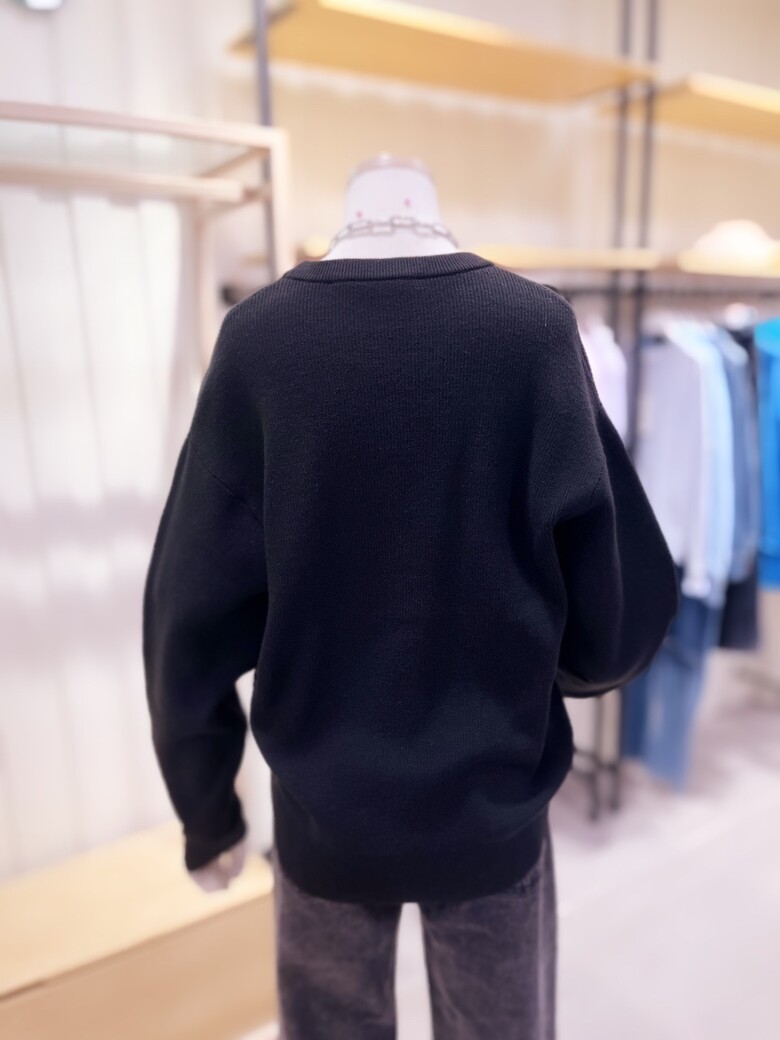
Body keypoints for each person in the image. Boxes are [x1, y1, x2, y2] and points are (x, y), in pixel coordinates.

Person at [142, 163, 678, 1040]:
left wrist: (208, 810)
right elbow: (615, 583)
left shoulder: (260, 341)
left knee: (330, 1024)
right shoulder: (531, 332)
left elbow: (188, 609)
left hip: (322, 810)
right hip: (493, 804)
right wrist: (566, 669)